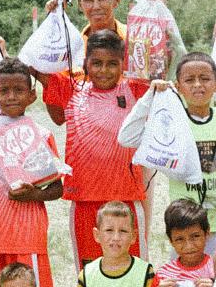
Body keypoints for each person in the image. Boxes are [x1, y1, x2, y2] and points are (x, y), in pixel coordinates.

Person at [118, 53, 216, 258]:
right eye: (189, 80)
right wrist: (149, 97)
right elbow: (126, 137)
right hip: (185, 228)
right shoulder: (170, 121)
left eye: (204, 78)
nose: (197, 85)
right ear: (178, 86)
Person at [42, 29, 148, 266]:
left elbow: (159, 60)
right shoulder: (72, 88)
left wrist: (149, 7)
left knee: (134, 271)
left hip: (126, 197)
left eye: (112, 63)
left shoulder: (135, 89)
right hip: (84, 200)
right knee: (88, 273)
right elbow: (35, 63)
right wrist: (54, 19)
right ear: (85, 63)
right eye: (97, 63)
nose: (104, 70)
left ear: (124, 64)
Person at [0, 58, 64, 287]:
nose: (11, 96)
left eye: (19, 90)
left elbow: (58, 188)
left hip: (27, 236)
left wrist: (34, 193)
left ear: (32, 95)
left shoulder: (40, 133)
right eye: (4, 91)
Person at [76, 201, 155, 287]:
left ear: (134, 236)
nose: (116, 237)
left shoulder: (145, 271)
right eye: (109, 230)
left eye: (123, 231)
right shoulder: (87, 273)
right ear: (97, 235)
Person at [148, 200, 216, 287]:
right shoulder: (164, 274)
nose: (189, 246)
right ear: (171, 240)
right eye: (180, 239)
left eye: (195, 236)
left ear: (207, 233)